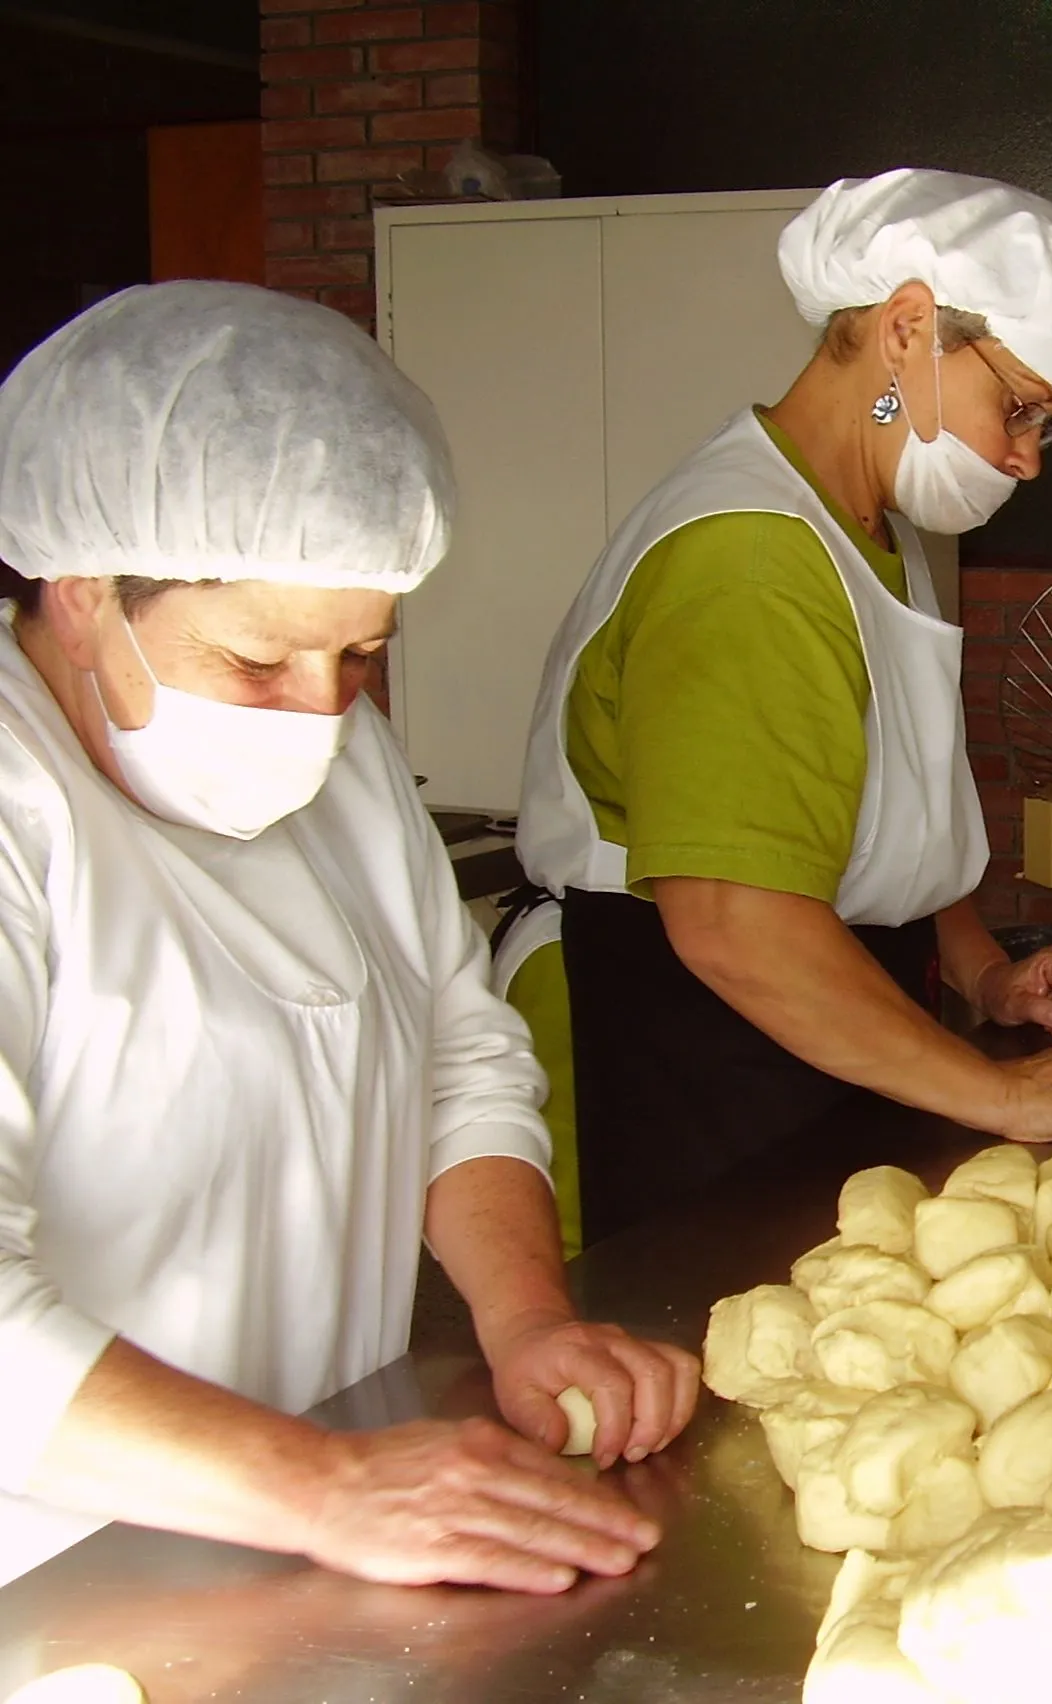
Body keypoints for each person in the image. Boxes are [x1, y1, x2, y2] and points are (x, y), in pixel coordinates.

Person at [0, 282, 698, 1592]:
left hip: (319, 1543)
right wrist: (321, 1487)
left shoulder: (344, 763)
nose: (318, 717)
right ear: (83, 593)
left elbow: (454, 1059)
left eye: (363, 658)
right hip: (57, 1585)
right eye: (258, 664)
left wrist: (527, 1318)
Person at [513, 169, 1052, 1248]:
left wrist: (986, 974)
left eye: (1040, 428)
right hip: (681, 1031)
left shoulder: (869, 531)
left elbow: (882, 823)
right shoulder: (749, 554)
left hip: (820, 1008)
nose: (1021, 456)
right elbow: (735, 920)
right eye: (1017, 408)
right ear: (906, 330)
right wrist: (1004, 1095)